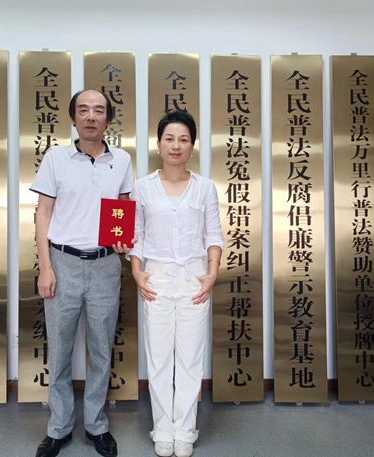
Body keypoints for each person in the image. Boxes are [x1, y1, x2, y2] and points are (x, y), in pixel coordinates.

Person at [30, 89, 135, 457]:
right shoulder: (55, 159)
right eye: (84, 110)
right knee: (59, 351)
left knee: (102, 351)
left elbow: (124, 209)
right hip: (63, 264)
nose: (92, 116)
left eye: (99, 111)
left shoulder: (122, 160)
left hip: (106, 266)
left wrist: (124, 242)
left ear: (108, 119)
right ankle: (58, 428)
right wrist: (46, 267)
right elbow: (43, 214)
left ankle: (96, 425)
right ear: (73, 118)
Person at [127, 110, 224, 457]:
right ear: (159, 144)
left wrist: (212, 273)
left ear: (192, 146)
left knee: (190, 358)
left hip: (195, 279)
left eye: (183, 139)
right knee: (158, 360)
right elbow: (136, 236)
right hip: (155, 279)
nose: (176, 145)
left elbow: (213, 235)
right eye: (169, 138)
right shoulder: (142, 187)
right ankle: (162, 429)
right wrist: (136, 271)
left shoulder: (204, 187)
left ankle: (185, 429)